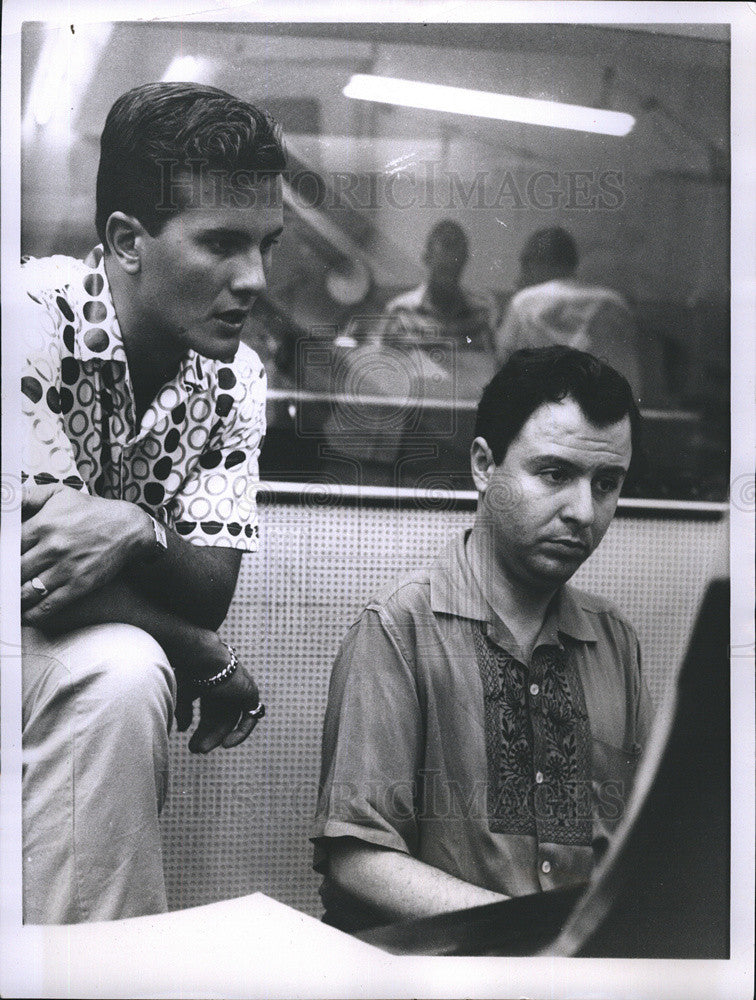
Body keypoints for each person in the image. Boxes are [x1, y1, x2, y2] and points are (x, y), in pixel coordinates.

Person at [19, 82, 286, 924]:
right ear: (128, 241)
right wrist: (208, 657)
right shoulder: (24, 319)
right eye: (222, 244)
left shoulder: (234, 375)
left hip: (57, 652)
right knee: (131, 664)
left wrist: (131, 527)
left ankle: (88, 972)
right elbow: (35, 576)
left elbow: (211, 585)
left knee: (126, 671)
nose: (254, 279)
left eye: (266, 246)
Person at [312, 346, 654, 933]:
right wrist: (531, 934)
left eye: (606, 483)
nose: (583, 510)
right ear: (482, 465)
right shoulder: (401, 628)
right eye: (555, 474)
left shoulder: (614, 641)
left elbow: (652, 841)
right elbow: (358, 858)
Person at [494, 227, 643, 399]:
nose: (520, 278)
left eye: (524, 267)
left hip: (543, 413)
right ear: (572, 264)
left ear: (533, 264)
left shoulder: (525, 302)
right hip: (607, 412)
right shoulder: (614, 302)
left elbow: (503, 362)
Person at [381, 219, 498, 350]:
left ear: (464, 262)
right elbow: (384, 365)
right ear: (426, 259)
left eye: (454, 271)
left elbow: (490, 363)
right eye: (442, 270)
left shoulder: (481, 313)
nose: (447, 280)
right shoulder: (401, 312)